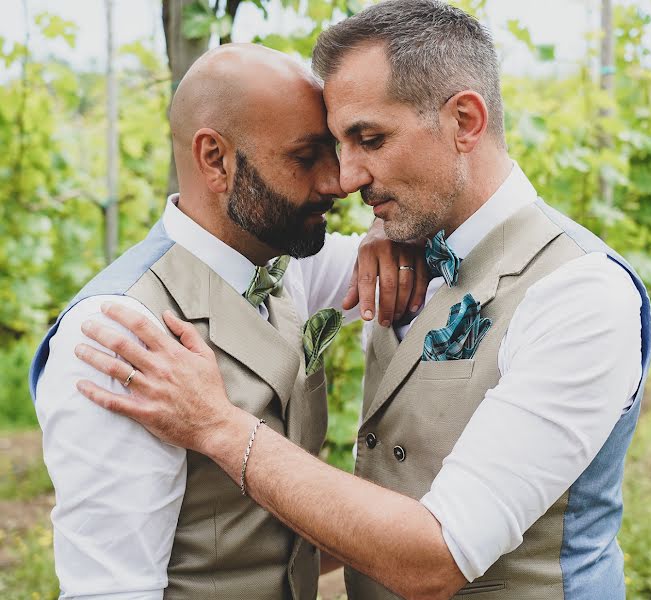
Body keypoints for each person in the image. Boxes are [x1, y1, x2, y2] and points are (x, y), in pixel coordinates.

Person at [75, 1, 651, 598]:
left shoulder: (579, 294)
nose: (345, 178)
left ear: (465, 122)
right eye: (329, 147)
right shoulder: (401, 253)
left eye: (369, 139)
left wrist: (220, 427)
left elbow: (439, 555)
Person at [29, 43, 428, 599]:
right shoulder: (120, 331)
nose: (337, 182)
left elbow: (399, 252)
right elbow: (113, 588)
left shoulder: (289, 269)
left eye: (331, 153)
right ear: (215, 159)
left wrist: (387, 232)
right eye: (304, 156)